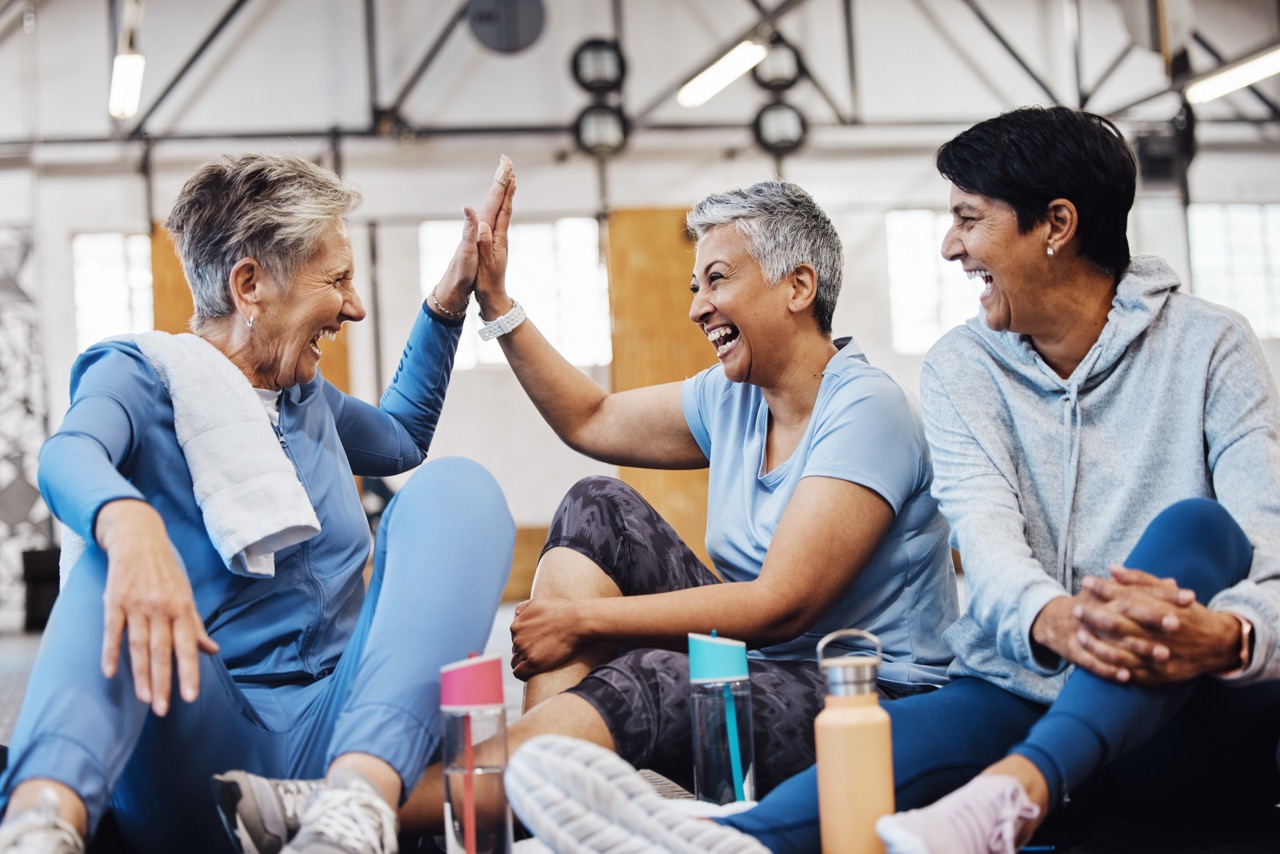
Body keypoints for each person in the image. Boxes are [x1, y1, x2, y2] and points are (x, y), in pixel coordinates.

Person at [501, 105, 1280, 854]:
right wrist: (1054, 620)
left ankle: (1019, 788)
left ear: (1057, 224)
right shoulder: (963, 366)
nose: (949, 246)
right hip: (1022, 686)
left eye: (968, 219)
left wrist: (1230, 635)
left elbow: (1269, 552)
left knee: (1197, 528)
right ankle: (724, 839)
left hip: (1178, 704)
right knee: (875, 748)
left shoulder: (1210, 346)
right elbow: (990, 548)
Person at [220, 175, 960, 848]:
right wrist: (496, 303)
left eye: (717, 280)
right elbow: (591, 417)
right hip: (758, 669)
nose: (697, 306)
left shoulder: (866, 409)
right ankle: (540, 809)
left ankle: (354, 806)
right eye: (695, 285)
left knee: (650, 680)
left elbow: (780, 605)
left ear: (799, 286)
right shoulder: (732, 398)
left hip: (867, 702)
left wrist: (586, 621)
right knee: (597, 505)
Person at [0, 154, 517, 854]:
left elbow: (400, 440)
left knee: (460, 487)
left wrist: (451, 298)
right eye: (336, 280)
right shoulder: (144, 375)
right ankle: (39, 825)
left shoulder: (307, 399)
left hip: (349, 735)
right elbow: (68, 453)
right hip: (200, 749)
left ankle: (355, 809)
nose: (355, 306)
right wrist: (129, 522)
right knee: (105, 560)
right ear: (250, 285)